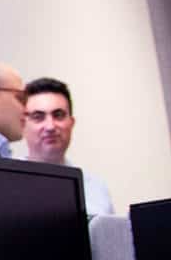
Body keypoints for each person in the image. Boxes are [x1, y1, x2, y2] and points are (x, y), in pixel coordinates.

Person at [22, 77, 114, 215]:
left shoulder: (95, 188)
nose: (50, 126)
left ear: (71, 123)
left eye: (58, 115)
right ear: (22, 124)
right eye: (38, 117)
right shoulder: (6, 183)